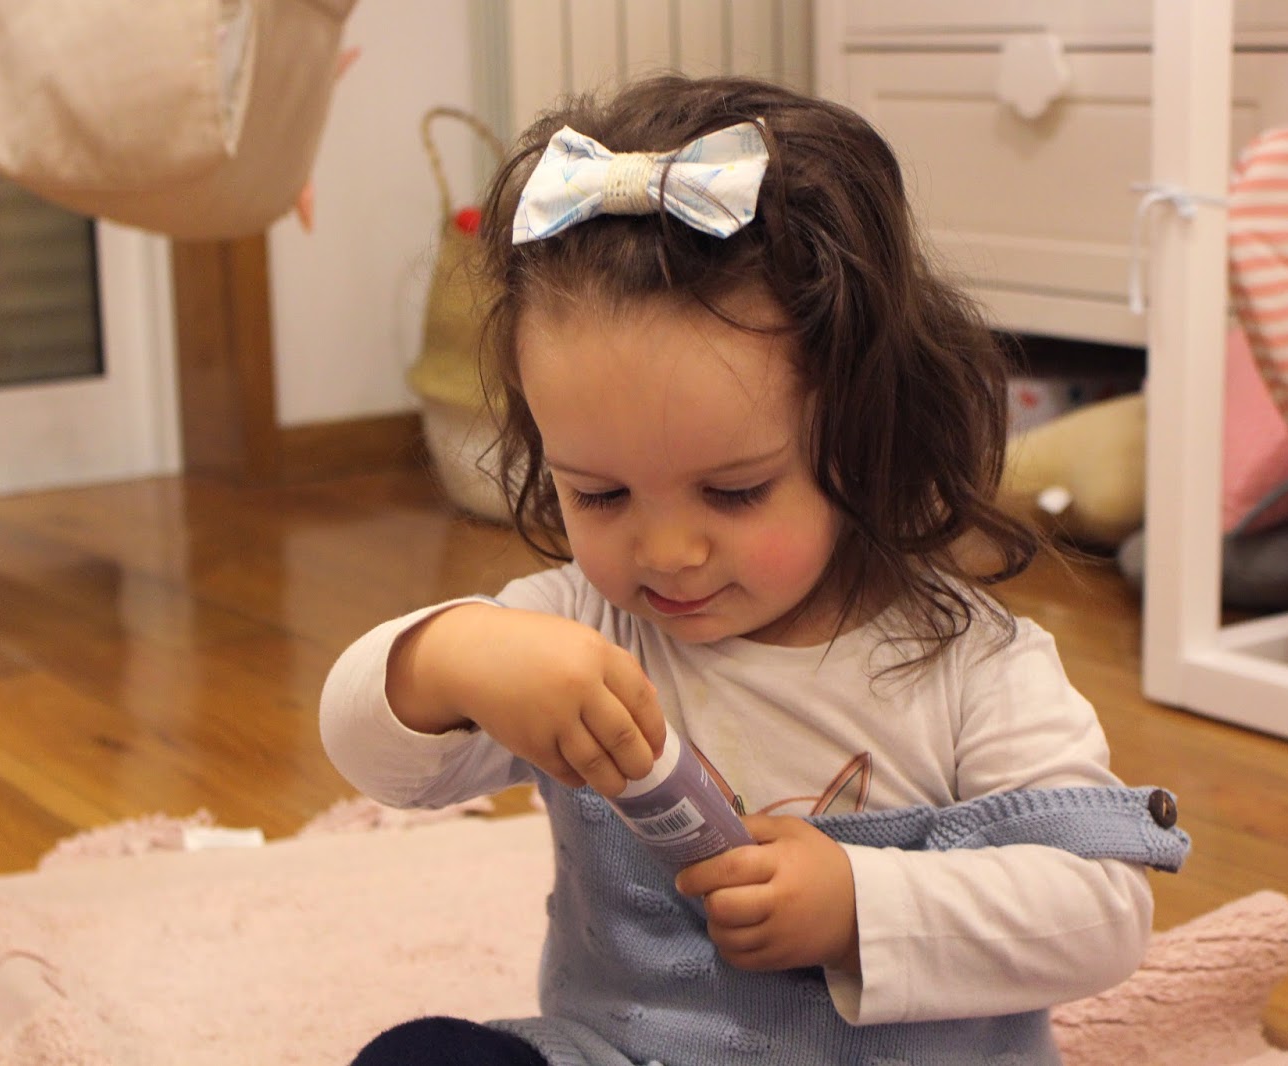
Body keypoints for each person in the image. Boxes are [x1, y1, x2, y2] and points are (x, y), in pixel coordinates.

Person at [320, 74, 1188, 1066]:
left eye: (733, 492)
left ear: (864, 437)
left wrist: (859, 904)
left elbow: (1102, 909)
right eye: (600, 495)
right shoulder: (579, 630)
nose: (666, 551)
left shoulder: (972, 664)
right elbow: (371, 754)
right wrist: (451, 659)